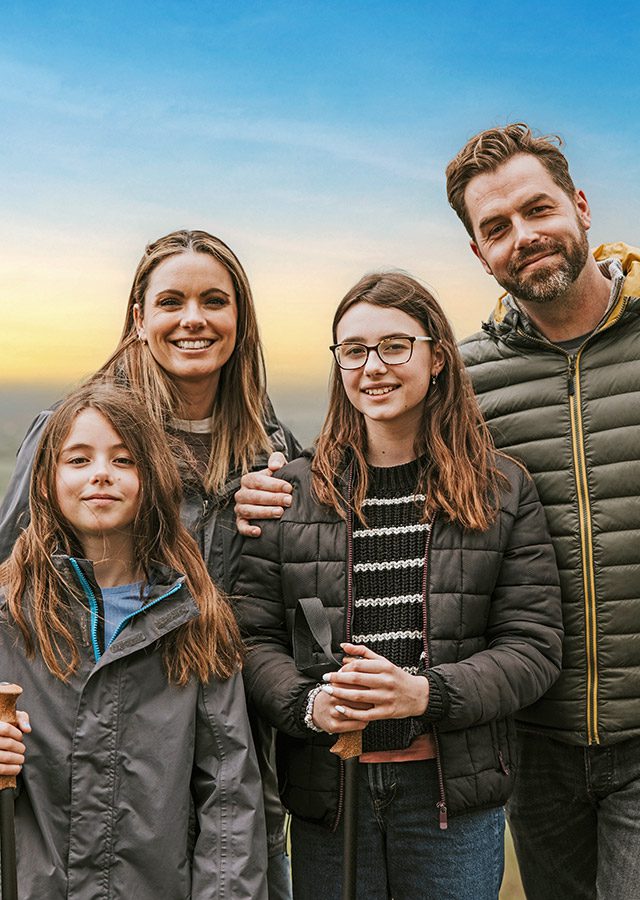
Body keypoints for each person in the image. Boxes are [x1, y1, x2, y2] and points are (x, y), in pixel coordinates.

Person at [233, 272, 563, 900]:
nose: (373, 366)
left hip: (450, 802)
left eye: (394, 346)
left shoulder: (500, 489)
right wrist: (307, 705)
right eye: (354, 350)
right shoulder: (292, 493)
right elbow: (252, 637)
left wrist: (423, 694)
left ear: (437, 357)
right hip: (331, 791)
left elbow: (533, 647)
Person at [0, 229, 300, 899]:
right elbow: (15, 585)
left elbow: (292, 604)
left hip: (224, 746)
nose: (193, 319)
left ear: (241, 319)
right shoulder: (75, 433)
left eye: (214, 301)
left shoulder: (273, 451)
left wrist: (283, 516)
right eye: (171, 302)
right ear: (139, 318)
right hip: (72, 751)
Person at [444, 124, 640, 899]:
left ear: (580, 206)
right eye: (497, 227)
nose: (523, 237)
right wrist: (268, 489)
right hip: (531, 743)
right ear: (479, 251)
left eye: (538, 209)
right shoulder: (462, 381)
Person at [0, 383, 267, 899]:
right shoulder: (9, 616)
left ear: (153, 479)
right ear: (47, 481)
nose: (101, 473)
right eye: (78, 459)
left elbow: (229, 795)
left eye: (123, 460)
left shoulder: (194, 619)